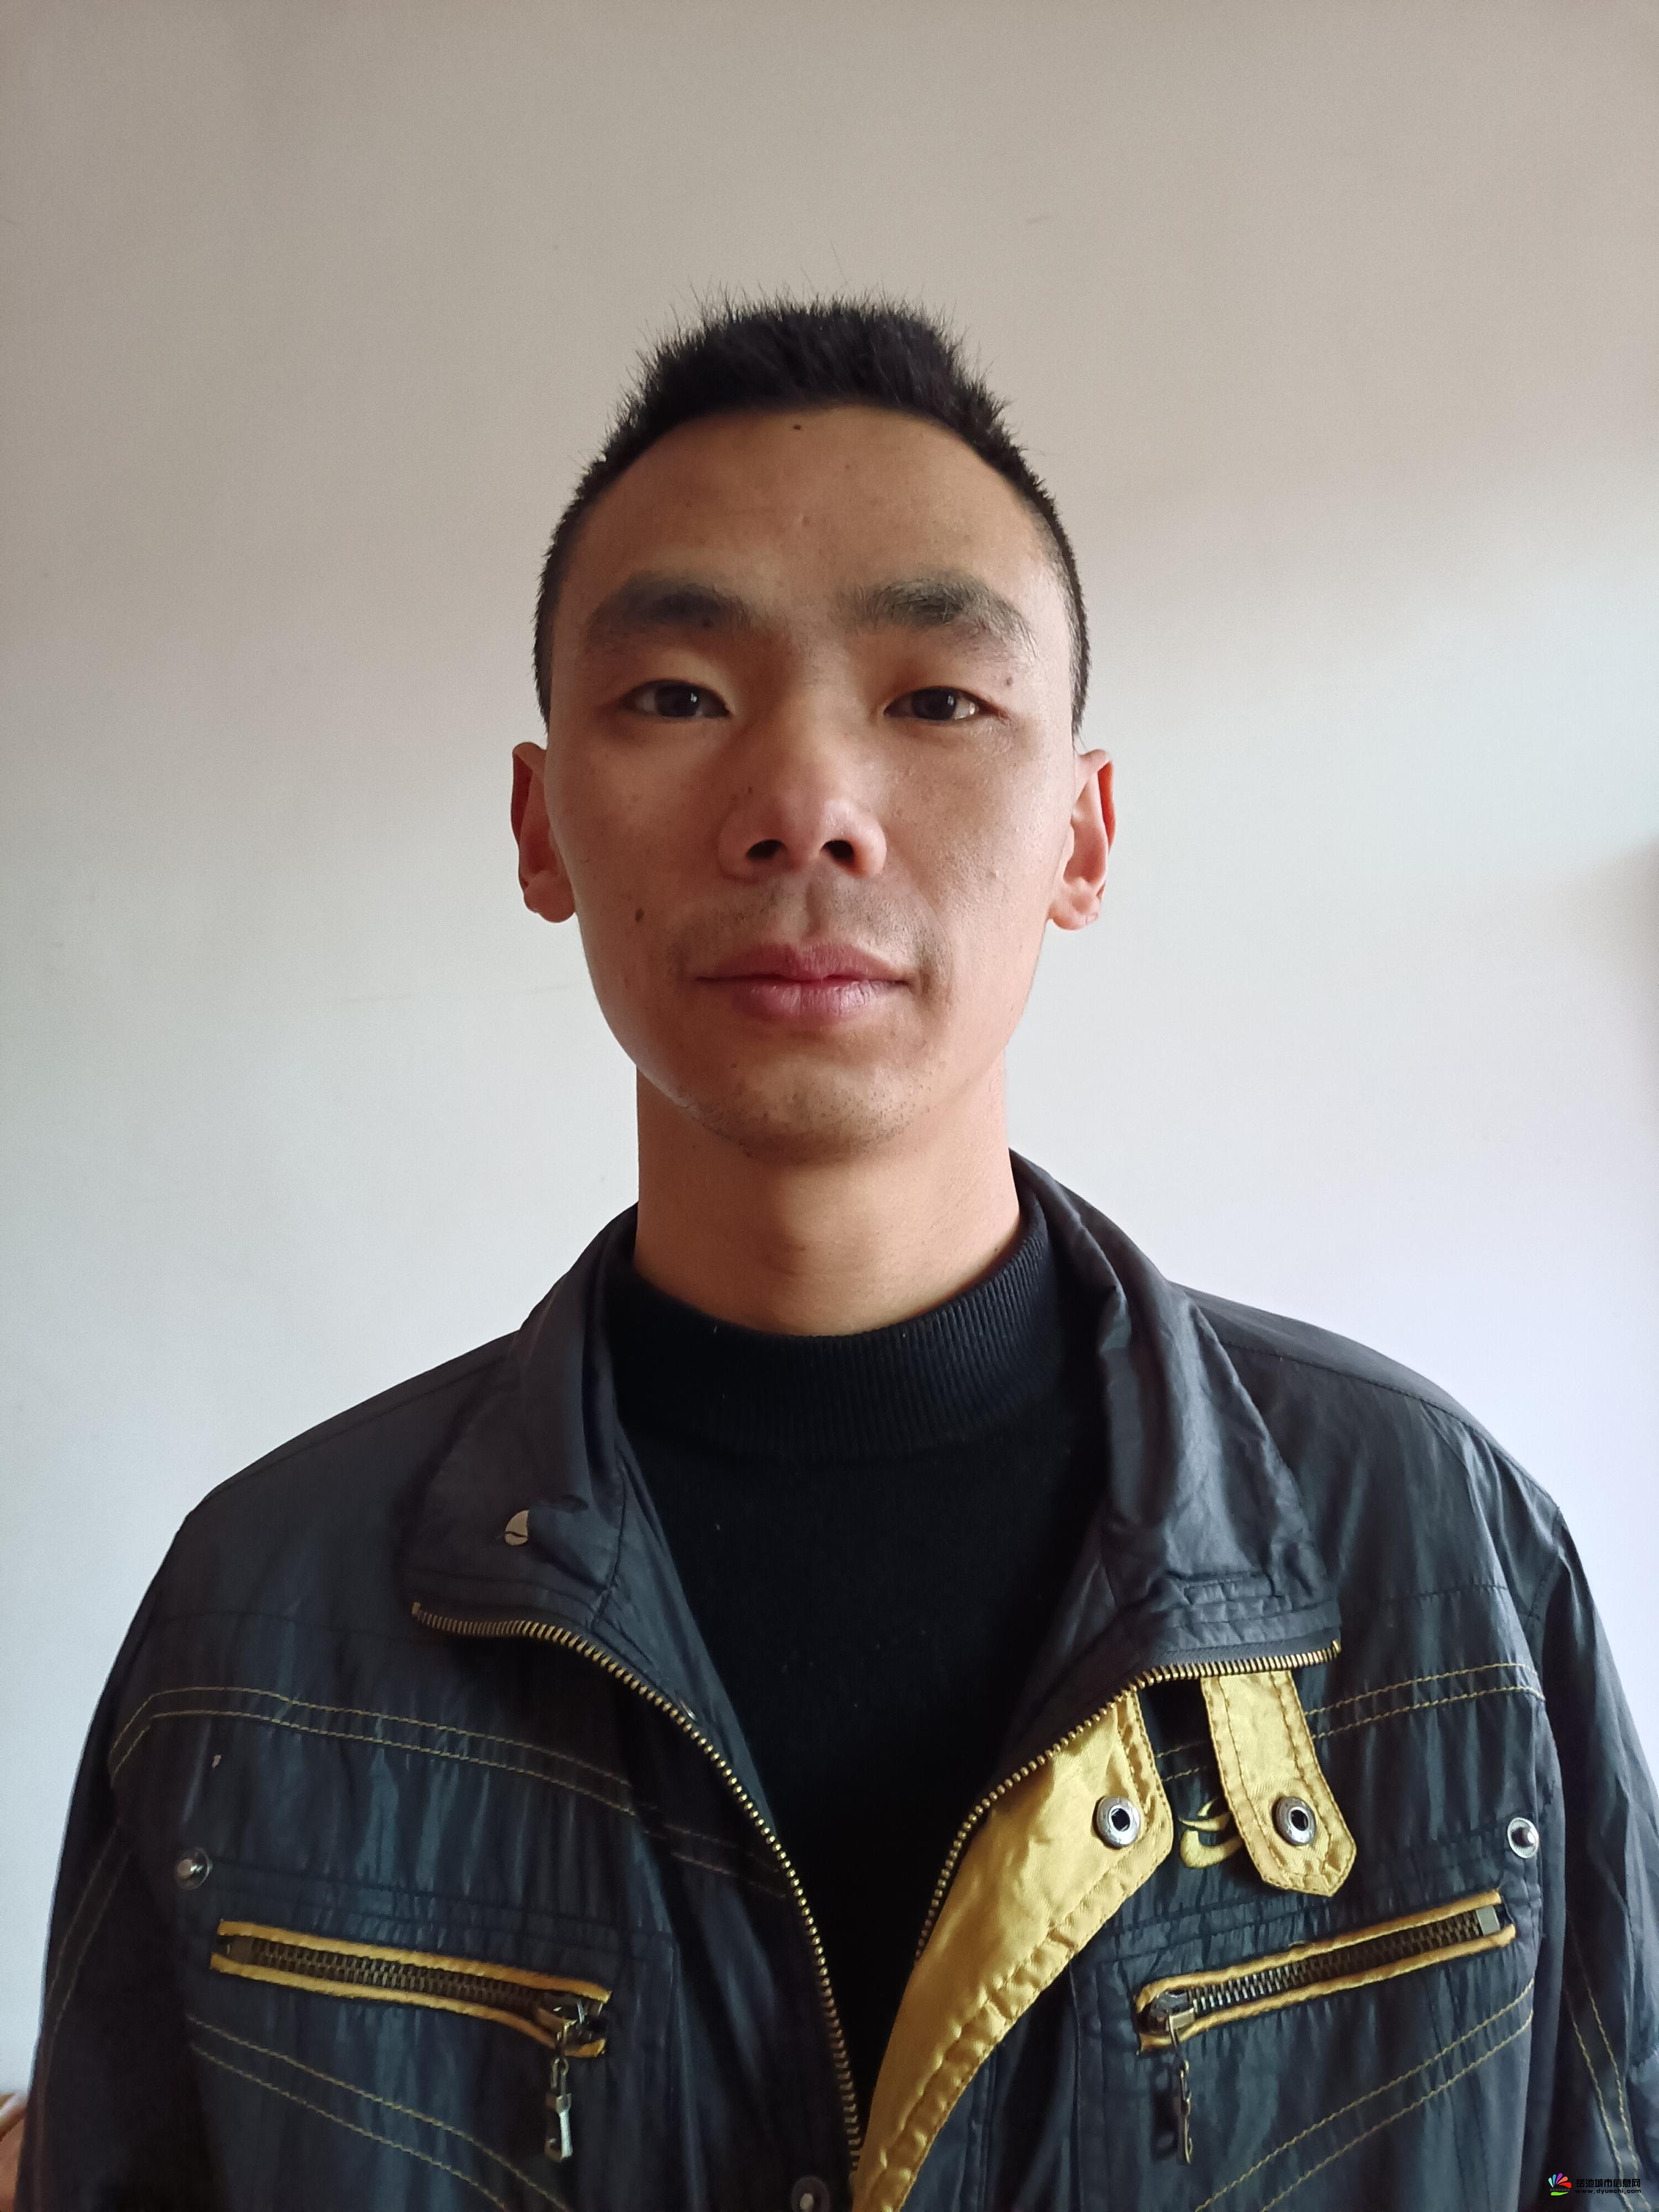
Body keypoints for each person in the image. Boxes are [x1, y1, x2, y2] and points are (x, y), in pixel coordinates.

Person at [17, 297, 1659, 2211]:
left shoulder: (1446, 1561)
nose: (805, 804)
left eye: (937, 700)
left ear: (1084, 834)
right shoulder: (257, 1629)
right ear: (541, 827)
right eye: (676, 696)